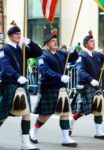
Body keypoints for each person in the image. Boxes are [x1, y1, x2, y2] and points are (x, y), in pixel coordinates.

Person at [30, 29, 78, 147]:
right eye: (52, 41)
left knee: (64, 112)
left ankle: (66, 138)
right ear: (47, 44)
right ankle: (34, 130)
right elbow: (45, 71)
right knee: (46, 114)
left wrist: (74, 52)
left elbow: (72, 58)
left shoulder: (60, 53)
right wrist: (60, 76)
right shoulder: (42, 56)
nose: (55, 43)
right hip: (49, 87)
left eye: (56, 40)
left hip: (61, 88)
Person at [0, 21, 42, 150]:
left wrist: (29, 42)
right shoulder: (4, 49)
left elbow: (38, 52)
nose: (18, 36)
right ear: (9, 36)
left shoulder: (22, 48)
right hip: (9, 84)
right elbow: (5, 66)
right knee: (2, 115)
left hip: (21, 85)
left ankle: (25, 143)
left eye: (19, 33)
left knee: (26, 113)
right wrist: (17, 76)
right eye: (15, 34)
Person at [70, 31, 104, 140]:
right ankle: (71, 120)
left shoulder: (97, 54)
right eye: (91, 41)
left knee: (99, 108)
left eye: (94, 41)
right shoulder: (82, 55)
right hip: (86, 85)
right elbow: (80, 71)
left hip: (96, 85)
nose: (93, 43)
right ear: (85, 44)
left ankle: (98, 131)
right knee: (83, 110)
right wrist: (91, 80)